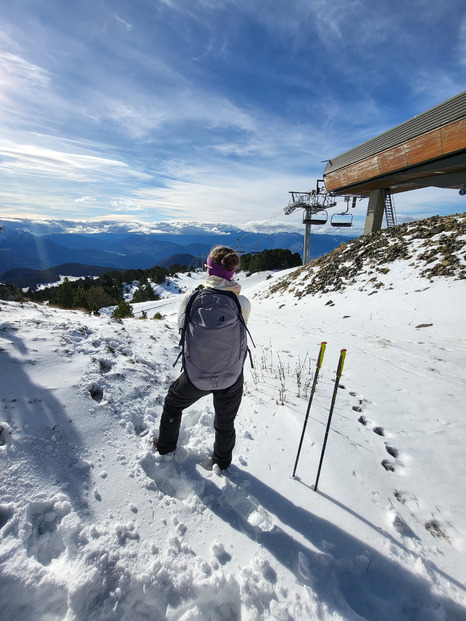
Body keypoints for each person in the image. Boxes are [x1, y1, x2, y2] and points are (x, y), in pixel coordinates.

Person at [155, 246, 251, 469]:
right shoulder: (242, 303)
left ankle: (166, 448)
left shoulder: (192, 298)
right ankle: (222, 463)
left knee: (173, 404)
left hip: (197, 373)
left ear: (209, 269)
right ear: (232, 271)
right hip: (231, 374)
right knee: (225, 422)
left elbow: (181, 327)